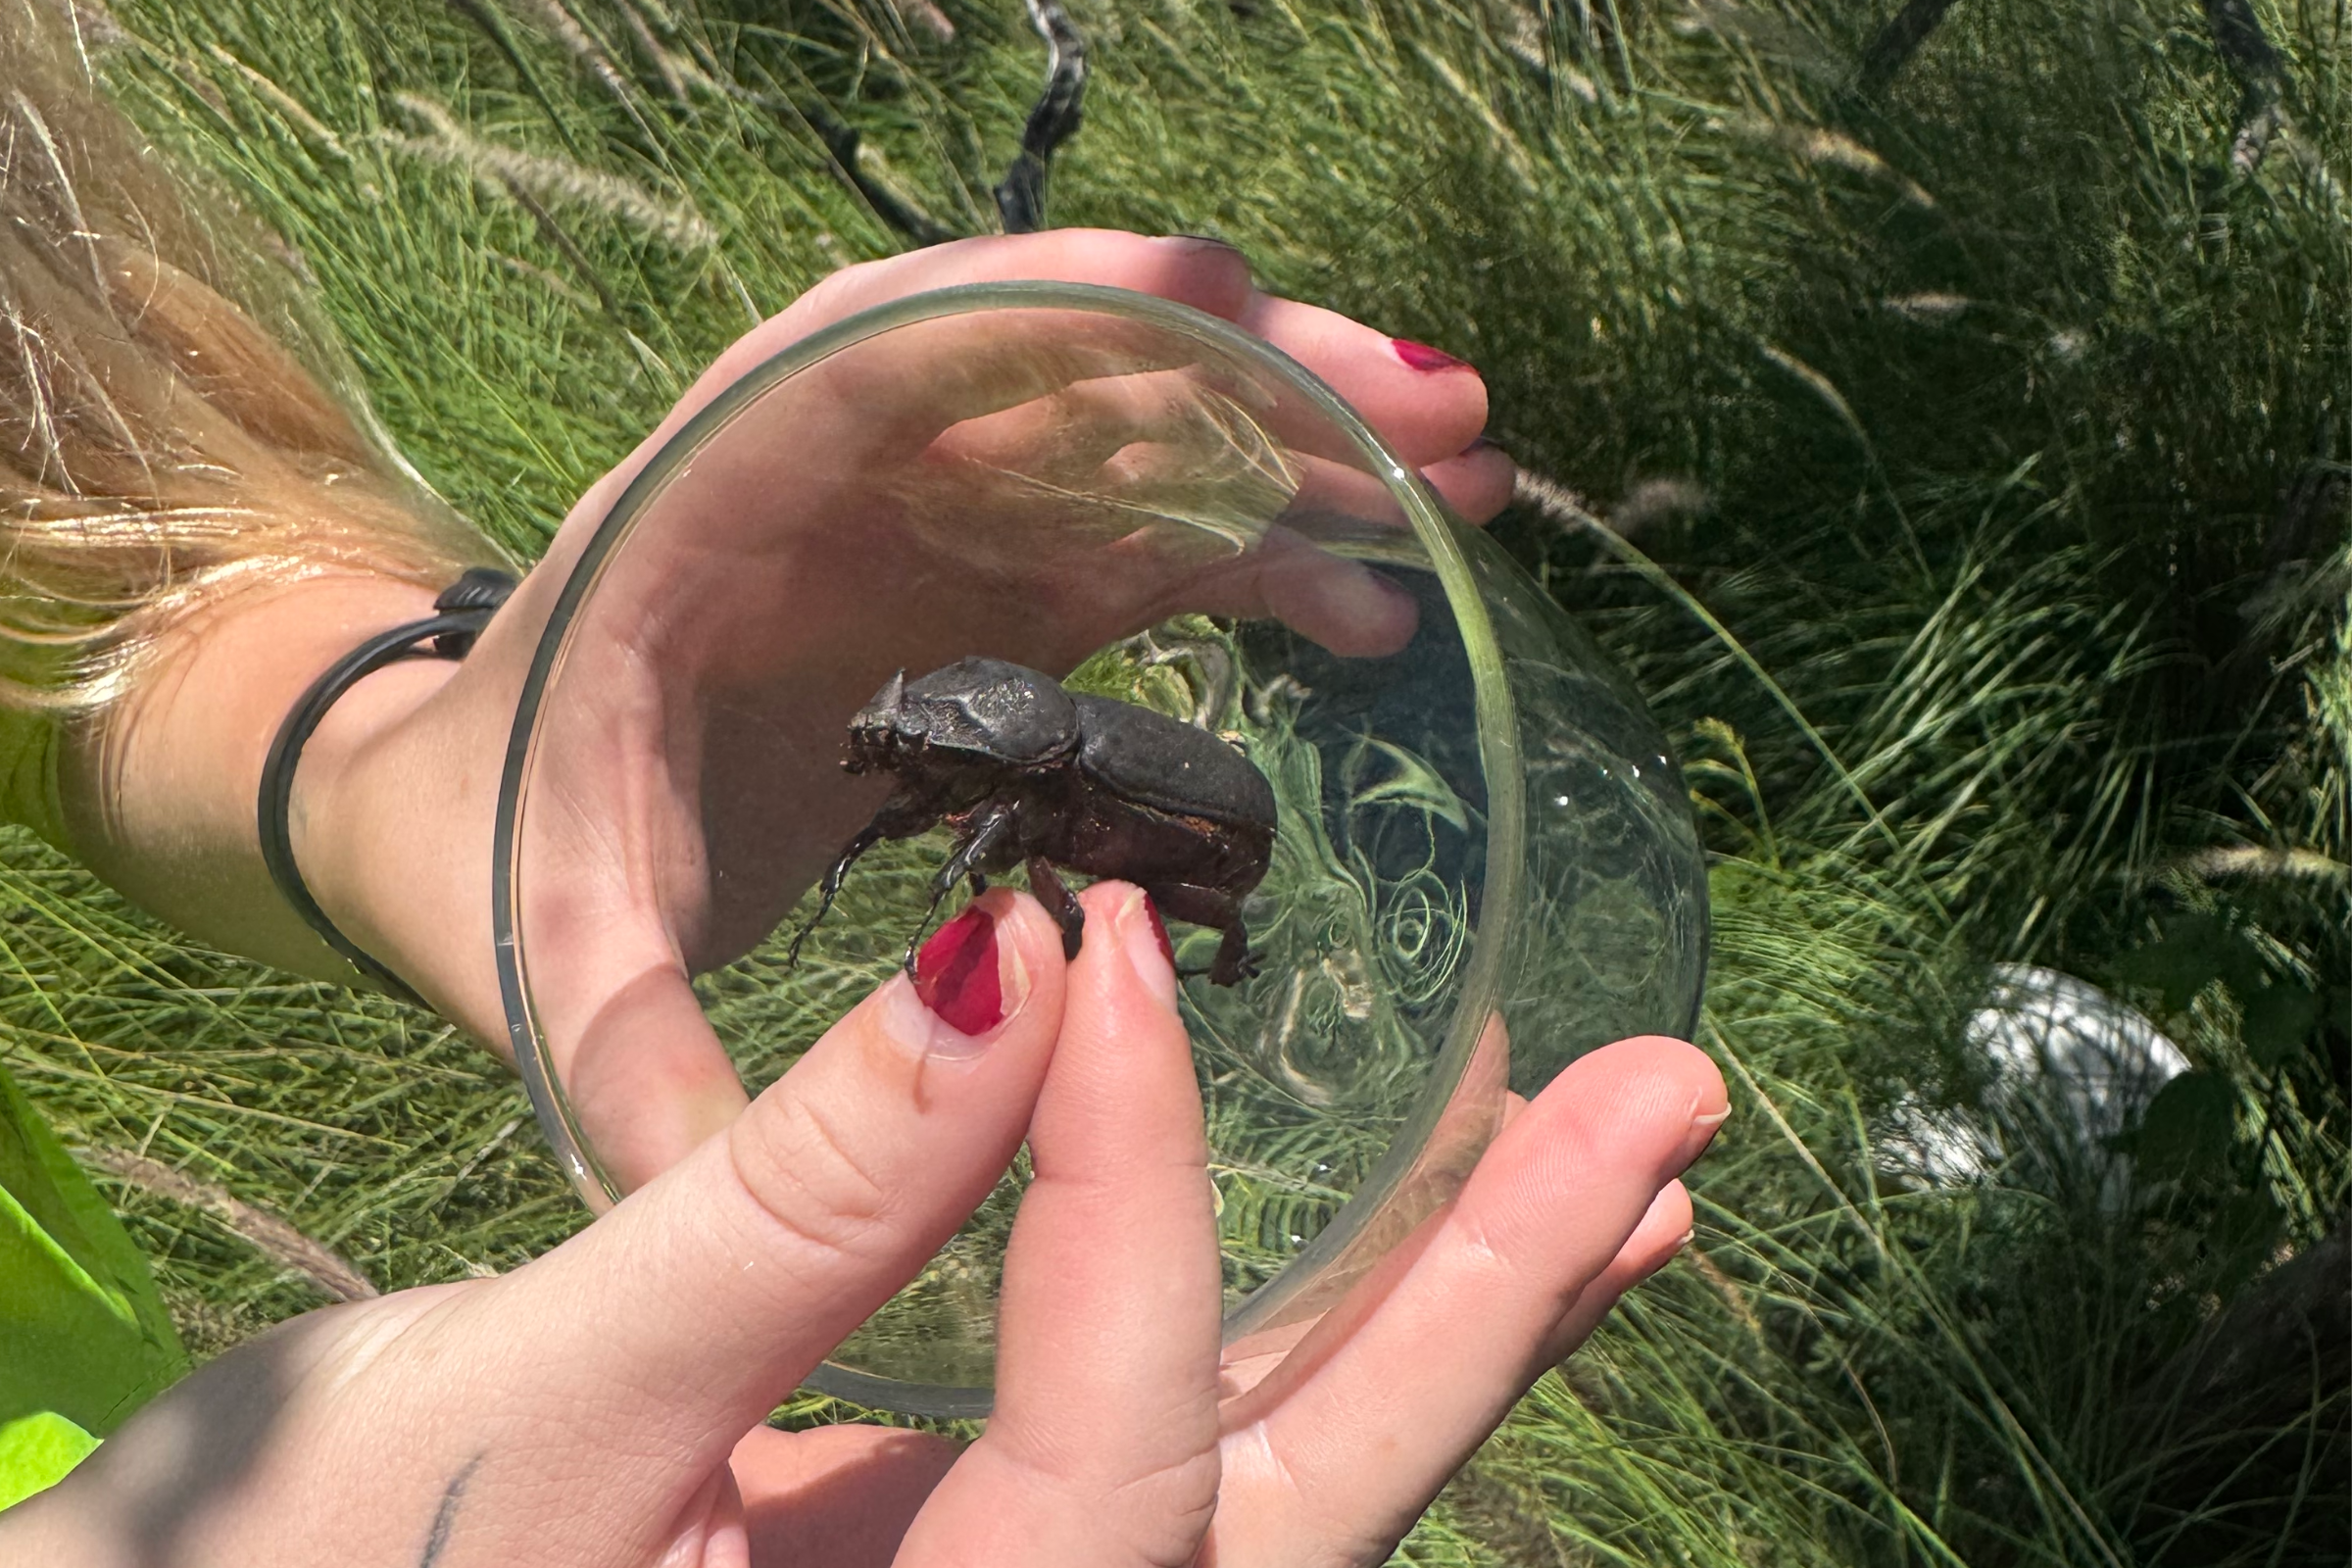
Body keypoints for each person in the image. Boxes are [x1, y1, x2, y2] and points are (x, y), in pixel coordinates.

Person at [0, 5, 1727, 1561]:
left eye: (912, 745)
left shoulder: (1036, 765)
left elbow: (68, 598)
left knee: (1150, 887)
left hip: (1182, 813)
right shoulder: (1010, 768)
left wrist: (378, 763)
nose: (886, 760)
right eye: (903, 747)